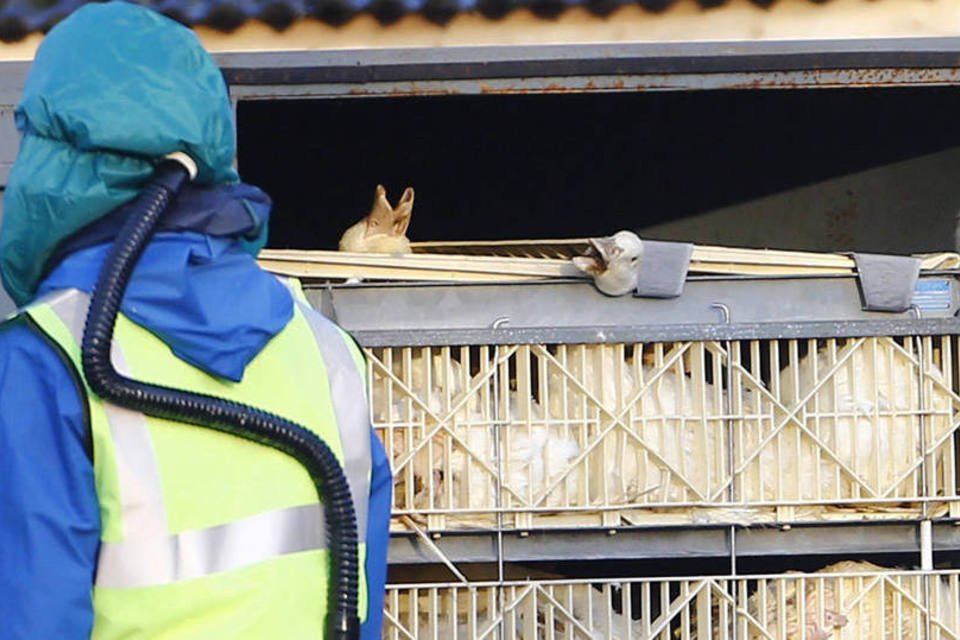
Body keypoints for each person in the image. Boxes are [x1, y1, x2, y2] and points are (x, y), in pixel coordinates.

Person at [0, 3, 391, 638]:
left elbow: (28, 614)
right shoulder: (325, 352)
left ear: (60, 155)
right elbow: (358, 596)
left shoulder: (42, 363)